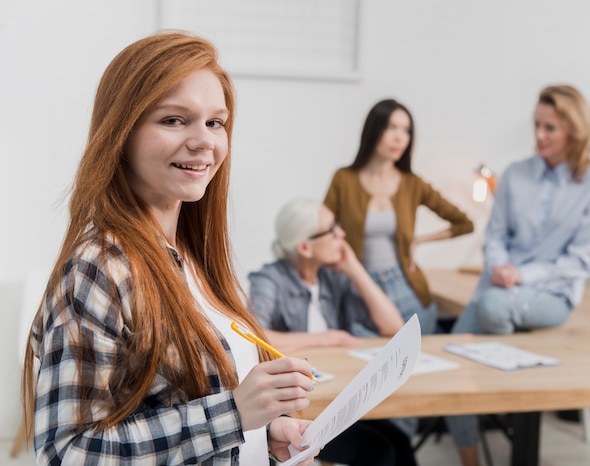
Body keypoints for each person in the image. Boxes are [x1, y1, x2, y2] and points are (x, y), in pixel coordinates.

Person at [21, 32, 317, 466]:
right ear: (122, 132)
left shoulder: (196, 259)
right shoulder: (99, 267)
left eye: (215, 122)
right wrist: (233, 414)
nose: (204, 142)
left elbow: (185, 403)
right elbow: (68, 452)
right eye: (174, 120)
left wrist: (266, 432)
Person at [446, 84, 590, 466]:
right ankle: (470, 459)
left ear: (575, 130)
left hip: (553, 296)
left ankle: (505, 401)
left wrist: (520, 274)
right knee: (452, 358)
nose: (539, 135)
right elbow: (496, 236)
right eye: (537, 125)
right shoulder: (516, 175)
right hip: (497, 287)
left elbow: (578, 262)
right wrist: (501, 266)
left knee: (492, 306)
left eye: (550, 128)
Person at [248, 198, 417, 466]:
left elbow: (393, 326)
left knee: (399, 441)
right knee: (379, 451)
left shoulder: (332, 276)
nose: (342, 235)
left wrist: (354, 268)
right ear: (305, 247)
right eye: (333, 230)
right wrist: (324, 338)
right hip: (298, 411)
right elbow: (255, 336)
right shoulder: (269, 280)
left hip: (339, 398)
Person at [324, 98, 474, 337]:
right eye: (391, 128)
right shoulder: (344, 179)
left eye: (406, 130)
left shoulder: (412, 184)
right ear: (373, 130)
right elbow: (323, 228)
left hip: (406, 288)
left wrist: (419, 241)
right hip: (361, 289)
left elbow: (465, 223)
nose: (399, 138)